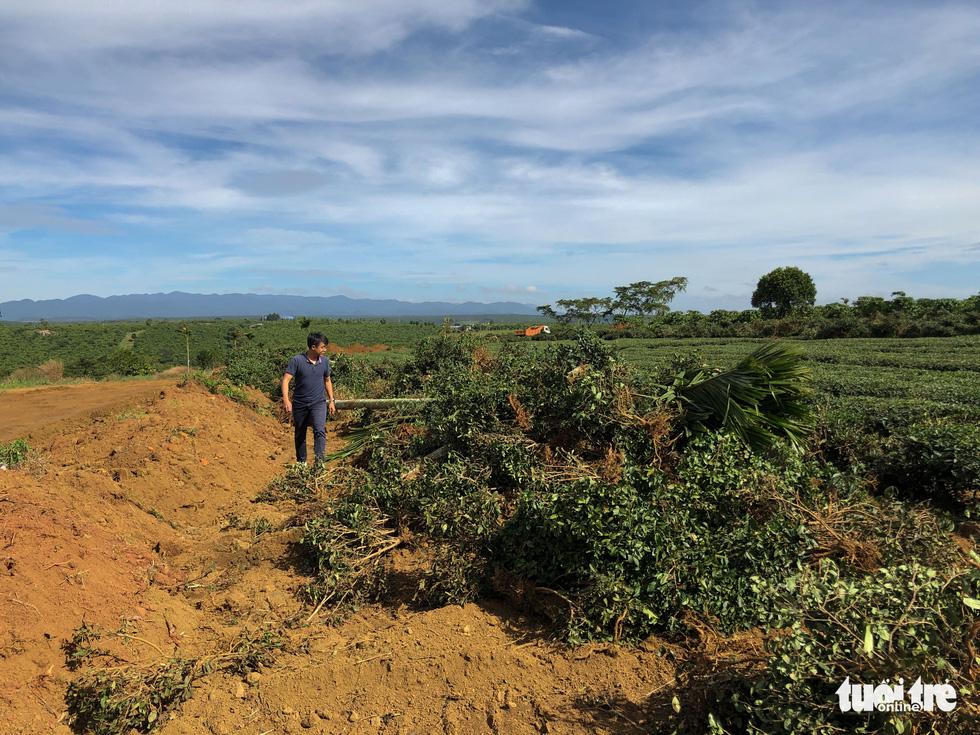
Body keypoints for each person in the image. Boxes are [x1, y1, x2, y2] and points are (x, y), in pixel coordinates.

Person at [281, 332, 336, 464]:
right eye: (322, 347)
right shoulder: (297, 360)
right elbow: (286, 380)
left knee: (319, 430)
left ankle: (319, 463)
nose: (325, 350)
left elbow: (327, 380)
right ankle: (302, 463)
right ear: (313, 347)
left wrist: (331, 401)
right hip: (300, 403)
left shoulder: (325, 361)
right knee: (300, 433)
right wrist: (286, 400)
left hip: (318, 403)